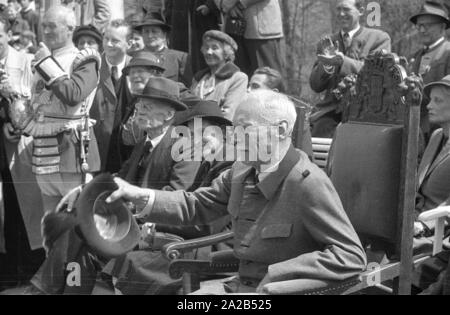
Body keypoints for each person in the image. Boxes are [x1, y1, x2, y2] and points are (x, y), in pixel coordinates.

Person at [105, 90, 367, 294]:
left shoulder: (306, 183)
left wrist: (281, 276)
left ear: (281, 130)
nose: (234, 136)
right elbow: (195, 205)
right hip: (237, 285)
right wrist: (138, 195)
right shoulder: (241, 171)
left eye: (245, 127)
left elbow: (350, 256)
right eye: (234, 128)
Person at [29, 77, 200, 295]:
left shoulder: (183, 146)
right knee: (81, 242)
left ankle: (40, 291)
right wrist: (83, 191)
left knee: (79, 231)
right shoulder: (145, 142)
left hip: (159, 234)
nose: (139, 111)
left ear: (168, 115)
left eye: (147, 107)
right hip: (129, 226)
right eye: (138, 105)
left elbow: (174, 198)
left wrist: (122, 209)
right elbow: (119, 178)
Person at [101, 99, 234, 295]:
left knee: (131, 260)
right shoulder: (208, 163)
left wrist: (155, 225)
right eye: (192, 134)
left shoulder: (229, 165)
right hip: (194, 240)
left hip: (216, 249)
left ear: (223, 134)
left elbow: (207, 224)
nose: (198, 140)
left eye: (205, 132)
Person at [23, 5, 101, 215]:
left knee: (78, 225)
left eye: (52, 26)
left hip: (73, 151)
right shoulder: (42, 59)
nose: (46, 31)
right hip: (43, 153)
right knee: (51, 226)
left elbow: (73, 94)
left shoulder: (84, 59)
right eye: (43, 26)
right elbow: (40, 104)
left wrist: (46, 62)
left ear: (70, 28)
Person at [0, 15, 43, 291]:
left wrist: (10, 92)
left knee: (21, 214)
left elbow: (37, 106)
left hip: (21, 153)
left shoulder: (25, 61)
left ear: (6, 34)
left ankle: (26, 276)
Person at [309, 0, 391, 138]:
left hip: (366, 113)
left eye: (346, 9)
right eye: (338, 9)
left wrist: (343, 62)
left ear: (360, 11)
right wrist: (327, 65)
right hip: (330, 114)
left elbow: (379, 73)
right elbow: (316, 85)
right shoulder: (328, 41)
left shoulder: (379, 38)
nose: (341, 14)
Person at [411, 76, 450, 292]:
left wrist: (424, 226)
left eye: (438, 101)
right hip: (412, 222)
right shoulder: (436, 136)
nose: (428, 105)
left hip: (436, 232)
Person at [89, 20, 132, 173]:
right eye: (106, 39)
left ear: (130, 43)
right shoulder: (91, 68)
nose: (108, 44)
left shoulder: (137, 69)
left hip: (129, 151)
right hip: (98, 151)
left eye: (115, 40)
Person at [409, 1, 450, 144]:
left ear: (443, 26)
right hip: (418, 131)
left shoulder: (447, 52)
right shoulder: (417, 55)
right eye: (419, 25)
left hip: (441, 133)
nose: (421, 30)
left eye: (428, 25)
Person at [215, 0, 284, 78]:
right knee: (238, 80)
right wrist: (223, 4)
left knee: (267, 79)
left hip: (260, 30)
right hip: (232, 29)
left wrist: (237, 4)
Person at [191, 30, 248, 120]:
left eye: (214, 48)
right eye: (206, 48)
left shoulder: (238, 78)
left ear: (226, 53)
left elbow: (229, 113)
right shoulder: (199, 78)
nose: (209, 52)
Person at [135, 11, 193, 86]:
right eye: (146, 31)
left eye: (154, 31)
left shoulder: (180, 58)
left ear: (164, 35)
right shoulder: (134, 58)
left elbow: (187, 90)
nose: (150, 35)